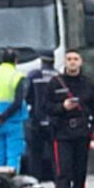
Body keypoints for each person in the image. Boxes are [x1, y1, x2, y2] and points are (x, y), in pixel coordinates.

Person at [47, 49, 94, 188]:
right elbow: (46, 107)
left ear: (81, 62)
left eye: (75, 59)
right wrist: (62, 107)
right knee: (64, 172)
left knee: (79, 174)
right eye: (69, 59)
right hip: (62, 133)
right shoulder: (55, 83)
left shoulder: (88, 84)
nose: (72, 62)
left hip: (81, 133)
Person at [0, 48, 28, 170]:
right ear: (16, 61)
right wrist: (4, 116)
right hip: (13, 120)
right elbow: (18, 101)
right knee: (13, 155)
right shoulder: (17, 76)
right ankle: (12, 182)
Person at [23, 50, 59, 180]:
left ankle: (35, 182)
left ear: (41, 60)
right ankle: (58, 186)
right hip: (53, 121)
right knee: (55, 155)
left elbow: (27, 96)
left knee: (35, 156)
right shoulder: (58, 76)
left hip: (36, 121)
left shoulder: (34, 75)